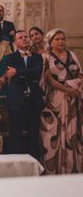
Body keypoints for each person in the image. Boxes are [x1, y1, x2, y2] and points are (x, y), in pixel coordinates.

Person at [40, 29, 83, 174]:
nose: (61, 41)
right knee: (54, 134)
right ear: (50, 42)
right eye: (57, 39)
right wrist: (66, 89)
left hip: (73, 98)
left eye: (63, 39)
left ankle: (70, 167)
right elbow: (48, 80)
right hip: (55, 99)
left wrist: (78, 85)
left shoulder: (72, 55)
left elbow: (80, 73)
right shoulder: (45, 57)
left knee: (71, 131)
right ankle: (54, 169)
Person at [5, 30, 44, 160]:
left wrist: (18, 72)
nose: (24, 39)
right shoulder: (10, 58)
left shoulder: (37, 57)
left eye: (26, 37)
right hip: (17, 100)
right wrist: (25, 73)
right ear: (15, 42)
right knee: (16, 133)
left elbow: (37, 73)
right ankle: (16, 163)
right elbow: (16, 75)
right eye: (20, 38)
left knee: (34, 133)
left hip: (34, 100)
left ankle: (35, 163)